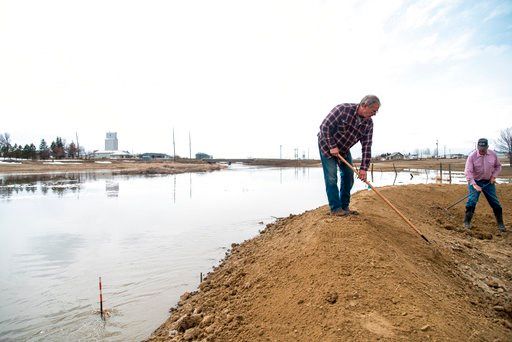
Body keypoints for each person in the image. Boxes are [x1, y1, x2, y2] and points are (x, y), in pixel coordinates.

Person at [317, 95, 380, 216]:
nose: (375, 114)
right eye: (374, 111)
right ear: (364, 106)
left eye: (376, 111)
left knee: (349, 176)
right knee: (331, 178)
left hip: (344, 149)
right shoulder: (343, 109)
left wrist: (363, 168)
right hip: (327, 145)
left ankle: (344, 207)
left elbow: (367, 146)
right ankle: (335, 209)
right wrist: (332, 146)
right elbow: (324, 127)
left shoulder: (369, 124)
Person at [463, 138, 505, 232]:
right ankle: (467, 222)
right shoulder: (472, 156)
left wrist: (493, 177)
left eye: (484, 148)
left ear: (487, 147)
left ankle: (500, 224)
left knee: (495, 202)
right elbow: (468, 172)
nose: (481, 150)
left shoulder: (493, 154)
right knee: (472, 200)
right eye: (480, 148)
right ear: (477, 147)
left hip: (488, 182)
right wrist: (474, 184)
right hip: (475, 181)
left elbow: (498, 166)